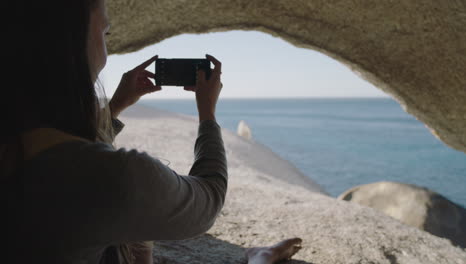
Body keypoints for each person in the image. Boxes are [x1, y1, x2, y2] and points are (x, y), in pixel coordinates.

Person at [0, 0, 303, 263]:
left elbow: (62, 145)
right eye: (106, 33)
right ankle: (260, 257)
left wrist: (115, 105)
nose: (106, 48)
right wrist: (207, 114)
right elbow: (209, 198)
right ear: (71, 42)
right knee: (138, 239)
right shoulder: (120, 178)